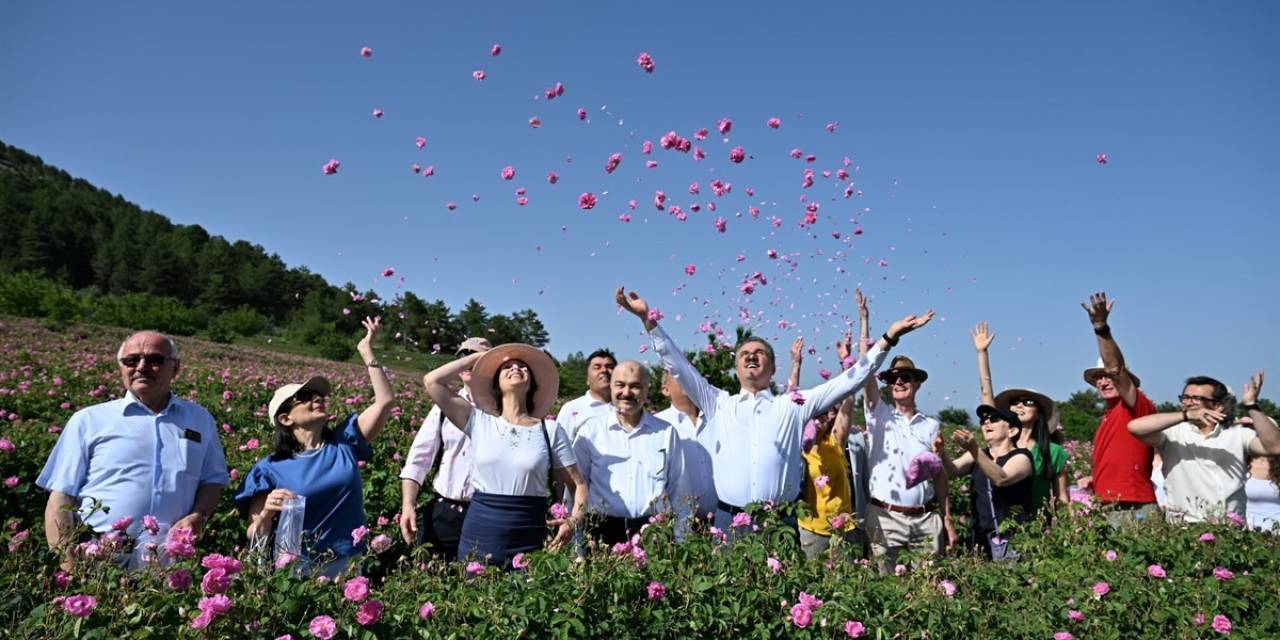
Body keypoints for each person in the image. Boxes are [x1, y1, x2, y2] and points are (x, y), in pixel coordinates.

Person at [617, 286, 934, 535]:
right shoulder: (718, 402)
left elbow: (850, 380)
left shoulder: (793, 405)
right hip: (729, 520)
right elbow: (678, 366)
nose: (752, 357)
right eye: (745, 354)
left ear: (772, 367)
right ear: (736, 366)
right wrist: (649, 322)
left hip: (779, 523)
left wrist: (889, 338)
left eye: (760, 353)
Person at [37, 331, 229, 569]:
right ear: (121, 367)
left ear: (175, 368)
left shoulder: (200, 419)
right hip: (98, 563)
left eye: (154, 360)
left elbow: (212, 480)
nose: (141, 366)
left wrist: (199, 514)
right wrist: (69, 567)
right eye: (131, 360)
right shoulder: (89, 420)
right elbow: (60, 498)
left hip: (171, 564)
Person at [235, 318, 395, 576]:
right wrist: (266, 512)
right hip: (297, 570)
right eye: (305, 397)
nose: (317, 399)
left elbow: (385, 401)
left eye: (319, 395)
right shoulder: (269, 469)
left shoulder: (344, 443)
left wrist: (367, 352)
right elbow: (254, 535)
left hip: (348, 563)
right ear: (285, 419)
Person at [423, 342, 588, 567]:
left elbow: (578, 484)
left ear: (532, 382)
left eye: (522, 366)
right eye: (506, 367)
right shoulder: (478, 422)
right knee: (477, 598)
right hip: (480, 533)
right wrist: (479, 359)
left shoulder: (549, 430)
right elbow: (432, 381)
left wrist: (573, 520)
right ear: (496, 384)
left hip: (531, 535)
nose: (515, 368)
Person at [854, 289, 952, 573]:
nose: (899, 382)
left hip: (925, 519)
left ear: (917, 383)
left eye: (905, 378)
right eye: (893, 378)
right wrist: (865, 322)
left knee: (930, 589)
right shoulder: (879, 414)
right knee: (885, 590)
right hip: (885, 516)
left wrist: (946, 517)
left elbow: (939, 475)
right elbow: (864, 369)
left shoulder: (931, 425)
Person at [1128, 371, 1280, 523]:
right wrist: (1185, 416)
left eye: (1196, 399)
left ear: (1218, 406)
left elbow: (1275, 447)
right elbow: (1134, 427)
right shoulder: (1172, 433)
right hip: (1184, 527)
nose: (1188, 402)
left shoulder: (1237, 433)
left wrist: (1251, 405)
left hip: (1230, 528)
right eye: (1185, 397)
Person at [398, 337, 492, 559]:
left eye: (476, 357)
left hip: (486, 512)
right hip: (445, 512)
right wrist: (408, 504)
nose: (468, 362)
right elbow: (418, 460)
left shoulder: (502, 410)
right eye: (463, 357)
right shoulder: (442, 408)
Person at [572, 361, 683, 544]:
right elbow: (577, 487)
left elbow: (678, 491)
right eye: (620, 385)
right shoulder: (590, 432)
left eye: (635, 386)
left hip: (654, 533)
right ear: (611, 387)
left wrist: (679, 540)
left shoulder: (666, 433)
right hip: (603, 532)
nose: (626, 392)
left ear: (647, 390)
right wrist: (577, 544)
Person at [1074, 292, 1159, 527]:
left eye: (1106, 376)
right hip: (1110, 505)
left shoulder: (1136, 406)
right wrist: (1097, 479)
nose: (1103, 381)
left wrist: (1101, 328)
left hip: (1134, 508)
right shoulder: (1107, 416)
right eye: (1097, 378)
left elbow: (1115, 369)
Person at [970, 321, 1069, 515]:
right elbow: (986, 393)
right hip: (997, 523)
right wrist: (982, 353)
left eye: (1028, 402)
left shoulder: (1053, 451)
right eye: (1015, 402)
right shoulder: (1000, 440)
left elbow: (1062, 497)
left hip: (1035, 530)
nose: (1020, 405)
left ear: (1040, 413)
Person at [939, 405, 1034, 560]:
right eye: (983, 420)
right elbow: (953, 470)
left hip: (1012, 537)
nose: (987, 423)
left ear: (1012, 431)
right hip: (980, 536)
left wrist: (974, 449)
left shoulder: (1022, 457)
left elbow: (1001, 478)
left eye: (995, 419)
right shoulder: (979, 455)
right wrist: (941, 452)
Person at [798, 394, 860, 561]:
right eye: (815, 416)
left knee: (844, 583)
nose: (819, 422)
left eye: (824, 417)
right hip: (811, 529)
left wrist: (851, 376)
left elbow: (845, 413)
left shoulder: (835, 443)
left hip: (842, 527)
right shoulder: (798, 449)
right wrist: (796, 367)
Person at [654, 369, 716, 524]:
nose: (687, 378)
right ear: (665, 390)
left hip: (721, 521)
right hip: (680, 525)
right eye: (678, 375)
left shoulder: (716, 418)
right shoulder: (658, 426)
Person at [558, 349, 617, 439]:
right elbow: (561, 448)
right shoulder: (572, 409)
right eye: (597, 367)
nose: (604, 370)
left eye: (609, 366)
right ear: (587, 379)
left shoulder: (627, 408)